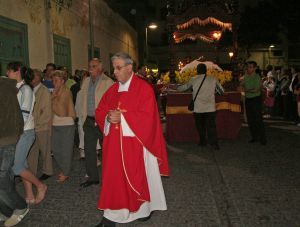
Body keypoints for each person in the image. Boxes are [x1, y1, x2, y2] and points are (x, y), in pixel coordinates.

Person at [95, 52, 169, 226]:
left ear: (129, 68)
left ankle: (143, 209)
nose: (115, 72)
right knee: (113, 179)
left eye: (119, 68)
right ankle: (111, 216)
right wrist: (107, 117)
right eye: (114, 68)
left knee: (138, 178)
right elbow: (100, 110)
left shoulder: (144, 89)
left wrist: (123, 118)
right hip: (113, 145)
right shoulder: (112, 90)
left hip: (136, 144)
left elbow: (149, 117)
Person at [7, 62, 47, 206]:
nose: (7, 74)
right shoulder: (15, 88)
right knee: (22, 163)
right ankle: (29, 194)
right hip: (18, 132)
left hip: (24, 132)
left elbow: (23, 115)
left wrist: (13, 132)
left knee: (17, 167)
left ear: (17, 72)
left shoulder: (26, 90)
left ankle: (41, 186)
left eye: (9, 71)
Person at [79, 59, 114, 188]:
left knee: (107, 150)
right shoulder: (86, 81)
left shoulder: (108, 82)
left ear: (100, 68)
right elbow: (82, 100)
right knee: (89, 150)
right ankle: (92, 177)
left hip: (103, 121)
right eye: (89, 66)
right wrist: (82, 118)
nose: (90, 68)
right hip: (88, 120)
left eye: (93, 66)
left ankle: (110, 177)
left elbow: (112, 103)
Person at [0, 76, 28, 227]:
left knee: (2, 178)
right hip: (7, 137)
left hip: (6, 139)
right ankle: (5, 210)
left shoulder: (4, 87)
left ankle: (21, 207)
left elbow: (14, 117)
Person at [177, 63, 222, 150]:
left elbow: (184, 88)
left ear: (197, 71)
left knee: (200, 125)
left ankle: (202, 141)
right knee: (211, 126)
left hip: (198, 108)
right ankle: (214, 143)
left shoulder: (193, 79)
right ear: (206, 70)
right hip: (210, 107)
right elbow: (221, 91)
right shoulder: (213, 79)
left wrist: (176, 87)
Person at [27, 69, 53, 181]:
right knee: (32, 150)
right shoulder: (30, 90)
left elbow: (46, 111)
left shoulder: (44, 91)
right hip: (32, 126)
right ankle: (30, 172)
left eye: (35, 76)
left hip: (42, 126)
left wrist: (38, 123)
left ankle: (48, 171)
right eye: (31, 76)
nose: (32, 78)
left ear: (39, 77)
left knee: (45, 150)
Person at [51, 70, 76, 183]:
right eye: (53, 80)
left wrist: (52, 98)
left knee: (65, 150)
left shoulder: (66, 91)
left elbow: (61, 111)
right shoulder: (55, 92)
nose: (54, 82)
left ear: (62, 81)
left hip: (66, 124)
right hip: (55, 124)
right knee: (55, 149)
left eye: (56, 80)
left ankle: (65, 172)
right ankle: (66, 167)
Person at [241, 61, 266, 145]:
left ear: (255, 68)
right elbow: (242, 84)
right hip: (248, 99)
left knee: (258, 119)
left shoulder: (257, 77)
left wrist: (245, 90)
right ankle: (254, 137)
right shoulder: (246, 76)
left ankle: (262, 138)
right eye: (248, 67)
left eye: (251, 67)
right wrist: (241, 86)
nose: (249, 68)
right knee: (251, 119)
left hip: (255, 99)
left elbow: (256, 89)